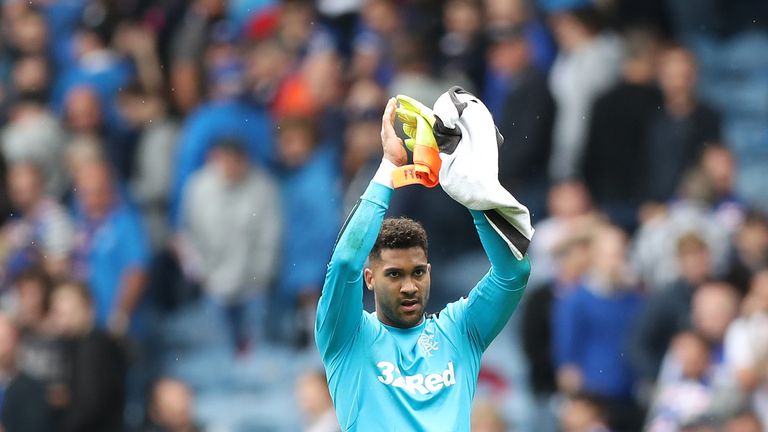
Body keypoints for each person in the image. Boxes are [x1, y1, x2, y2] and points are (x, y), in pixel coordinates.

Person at [314, 98, 531, 430]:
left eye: (417, 272)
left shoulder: (460, 331)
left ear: (429, 272)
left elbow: (513, 273)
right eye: (394, 275)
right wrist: (390, 166)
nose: (409, 286)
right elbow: (344, 262)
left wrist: (474, 194)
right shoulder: (347, 336)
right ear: (369, 279)